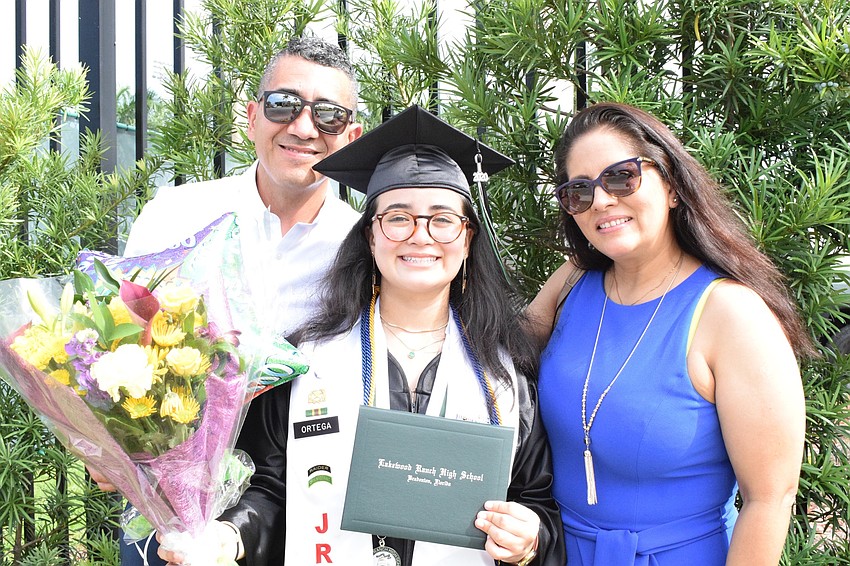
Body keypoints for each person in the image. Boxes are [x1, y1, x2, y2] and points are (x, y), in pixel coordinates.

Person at [158, 105, 566, 565]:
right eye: (397, 218)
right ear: (370, 237)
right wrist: (228, 537)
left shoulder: (506, 378)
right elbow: (269, 489)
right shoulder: (305, 362)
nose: (420, 236)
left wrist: (529, 538)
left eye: (442, 219)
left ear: (468, 239)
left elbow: (537, 500)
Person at [88, 36, 364, 565]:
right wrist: (106, 442)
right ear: (252, 116)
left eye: (328, 115)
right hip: (168, 504)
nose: (304, 128)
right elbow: (113, 343)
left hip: (304, 507)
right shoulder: (176, 215)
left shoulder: (363, 249)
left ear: (350, 136)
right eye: (284, 104)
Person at [526, 102, 815, 565]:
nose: (601, 200)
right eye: (579, 190)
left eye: (621, 177)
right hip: (560, 552)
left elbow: (769, 499)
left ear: (673, 186)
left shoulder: (731, 314)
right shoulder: (573, 282)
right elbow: (498, 362)